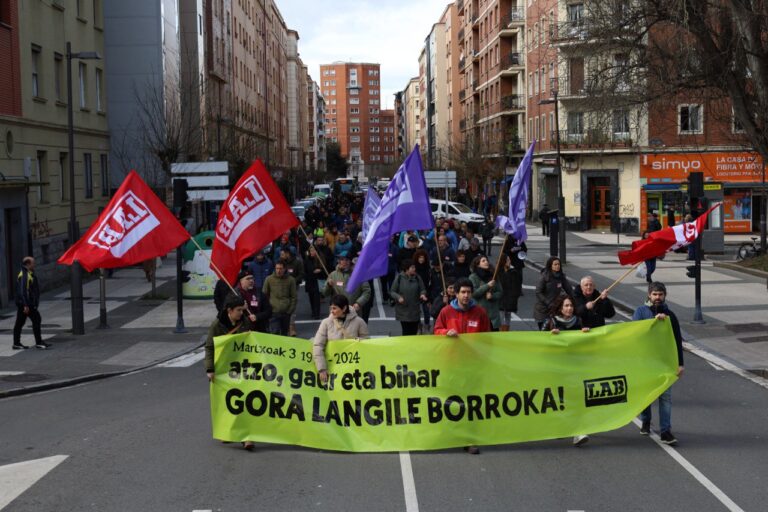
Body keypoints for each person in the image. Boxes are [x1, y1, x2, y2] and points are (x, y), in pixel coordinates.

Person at [433, 277, 491, 455]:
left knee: (472, 403)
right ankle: (450, 435)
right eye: (463, 292)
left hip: (472, 366)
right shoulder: (446, 312)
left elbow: (488, 337)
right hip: (452, 364)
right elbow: (436, 331)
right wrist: (445, 333)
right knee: (451, 401)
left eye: (468, 292)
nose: (466, 295)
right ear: (456, 294)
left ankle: (469, 439)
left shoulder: (480, 312)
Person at [633, 282, 684, 445]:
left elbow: (677, 340)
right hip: (645, 362)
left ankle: (665, 431)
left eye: (660, 294)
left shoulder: (671, 315)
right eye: (654, 294)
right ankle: (646, 420)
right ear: (649, 295)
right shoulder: (640, 312)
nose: (657, 297)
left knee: (665, 397)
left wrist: (680, 363)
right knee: (647, 395)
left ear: (665, 296)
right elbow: (636, 333)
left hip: (664, 363)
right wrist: (653, 322)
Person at [204, 294, 255, 450]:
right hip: (224, 370)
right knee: (228, 403)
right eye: (239, 310)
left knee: (245, 402)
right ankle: (228, 432)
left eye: (242, 310)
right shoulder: (217, 325)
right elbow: (210, 347)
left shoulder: (245, 322)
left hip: (242, 368)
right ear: (229, 310)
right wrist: (210, 369)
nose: (241, 313)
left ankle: (247, 437)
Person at [542, 294, 591, 447]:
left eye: (571, 306)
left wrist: (586, 335)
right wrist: (549, 336)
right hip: (556, 367)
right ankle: (559, 426)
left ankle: (578, 432)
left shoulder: (578, 321)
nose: (569, 308)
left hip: (574, 367)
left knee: (576, 399)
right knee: (559, 400)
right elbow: (538, 341)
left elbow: (582, 346)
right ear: (560, 308)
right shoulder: (551, 321)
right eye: (566, 306)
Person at [312, 294, 369, 385]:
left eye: (334, 308)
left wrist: (357, 340)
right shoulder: (326, 323)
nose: (332, 311)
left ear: (344, 308)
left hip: (354, 369)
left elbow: (367, 343)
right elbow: (318, 345)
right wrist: (322, 369)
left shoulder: (359, 322)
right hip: (333, 368)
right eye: (331, 308)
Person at [12, 256, 50, 349]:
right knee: (36, 319)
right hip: (26, 304)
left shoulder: (28, 273)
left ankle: (16, 343)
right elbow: (23, 291)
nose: (34, 264)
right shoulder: (24, 275)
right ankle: (39, 342)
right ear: (28, 264)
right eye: (33, 263)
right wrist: (25, 304)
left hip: (25, 304)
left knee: (19, 323)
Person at [323, 251, 371, 315]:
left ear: (350, 262)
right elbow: (325, 293)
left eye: (346, 260)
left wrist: (358, 303)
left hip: (353, 312)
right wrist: (328, 285)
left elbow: (367, 291)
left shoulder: (359, 275)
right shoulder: (332, 275)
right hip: (337, 313)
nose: (344, 262)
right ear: (338, 261)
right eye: (341, 259)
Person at [533, 256, 573, 330]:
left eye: (558, 264)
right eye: (555, 264)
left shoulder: (561, 277)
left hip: (554, 308)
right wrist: (548, 303)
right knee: (544, 331)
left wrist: (574, 298)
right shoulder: (545, 276)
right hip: (543, 310)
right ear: (550, 266)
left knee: (554, 329)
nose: (557, 266)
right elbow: (538, 292)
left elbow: (569, 290)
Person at [389, 261, 429, 336]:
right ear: (406, 269)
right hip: (403, 310)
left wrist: (422, 294)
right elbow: (392, 292)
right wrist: (398, 297)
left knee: (413, 331)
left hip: (414, 310)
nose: (414, 269)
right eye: (412, 267)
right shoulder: (399, 278)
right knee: (406, 331)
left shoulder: (417, 277)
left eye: (414, 267)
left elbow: (423, 289)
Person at [262, 261, 297, 336]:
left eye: (281, 268)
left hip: (286, 312)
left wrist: (290, 311)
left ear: (284, 269)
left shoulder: (291, 280)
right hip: (273, 312)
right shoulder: (269, 279)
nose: (278, 270)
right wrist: (268, 308)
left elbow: (294, 297)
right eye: (277, 268)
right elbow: (264, 294)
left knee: (285, 334)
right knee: (275, 333)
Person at [469, 256, 502, 331]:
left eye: (486, 260)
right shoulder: (473, 277)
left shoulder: (493, 275)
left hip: (493, 316)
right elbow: (473, 293)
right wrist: (487, 286)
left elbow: (500, 292)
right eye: (483, 261)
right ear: (478, 264)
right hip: (480, 314)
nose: (486, 262)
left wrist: (492, 296)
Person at [497, 254, 522, 332]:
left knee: (507, 318)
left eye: (509, 260)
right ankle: (501, 333)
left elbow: (517, 286)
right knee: (500, 318)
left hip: (510, 298)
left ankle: (506, 332)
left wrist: (514, 297)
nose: (509, 261)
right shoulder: (498, 272)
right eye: (507, 260)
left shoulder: (514, 272)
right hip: (500, 298)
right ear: (503, 261)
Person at [304, 244, 329, 320]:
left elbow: (324, 270)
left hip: (318, 281)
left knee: (316, 298)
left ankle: (317, 313)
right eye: (311, 250)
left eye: (314, 250)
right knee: (311, 297)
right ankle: (313, 311)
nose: (312, 252)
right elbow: (305, 270)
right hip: (310, 280)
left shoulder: (320, 259)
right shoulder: (307, 259)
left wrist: (319, 271)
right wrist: (312, 271)